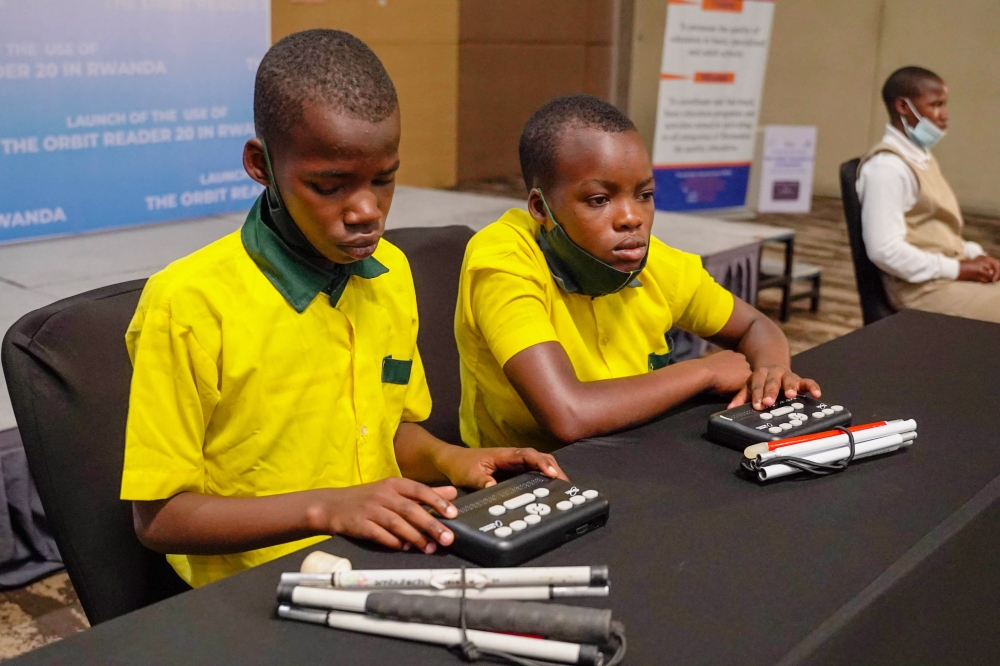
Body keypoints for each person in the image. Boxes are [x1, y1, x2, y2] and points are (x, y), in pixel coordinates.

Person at [120, 30, 565, 588]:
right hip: (257, 586)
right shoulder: (187, 304)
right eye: (330, 186)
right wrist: (328, 508)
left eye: (384, 179)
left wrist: (450, 459)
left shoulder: (391, 272)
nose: (366, 210)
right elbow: (160, 519)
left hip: (376, 559)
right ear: (261, 165)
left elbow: (385, 434)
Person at [454, 95, 821, 452]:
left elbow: (754, 326)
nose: (632, 218)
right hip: (530, 474)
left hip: (638, 447)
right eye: (599, 200)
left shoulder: (656, 261)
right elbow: (569, 415)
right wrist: (703, 372)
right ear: (540, 207)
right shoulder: (504, 260)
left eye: (644, 194)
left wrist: (772, 371)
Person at [857, 66, 1000, 322]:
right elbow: (885, 251)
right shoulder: (887, 167)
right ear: (903, 106)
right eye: (935, 105)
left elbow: (937, 232)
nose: (945, 115)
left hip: (944, 275)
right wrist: (958, 269)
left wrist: (973, 254)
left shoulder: (920, 157)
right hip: (920, 290)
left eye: (944, 105)